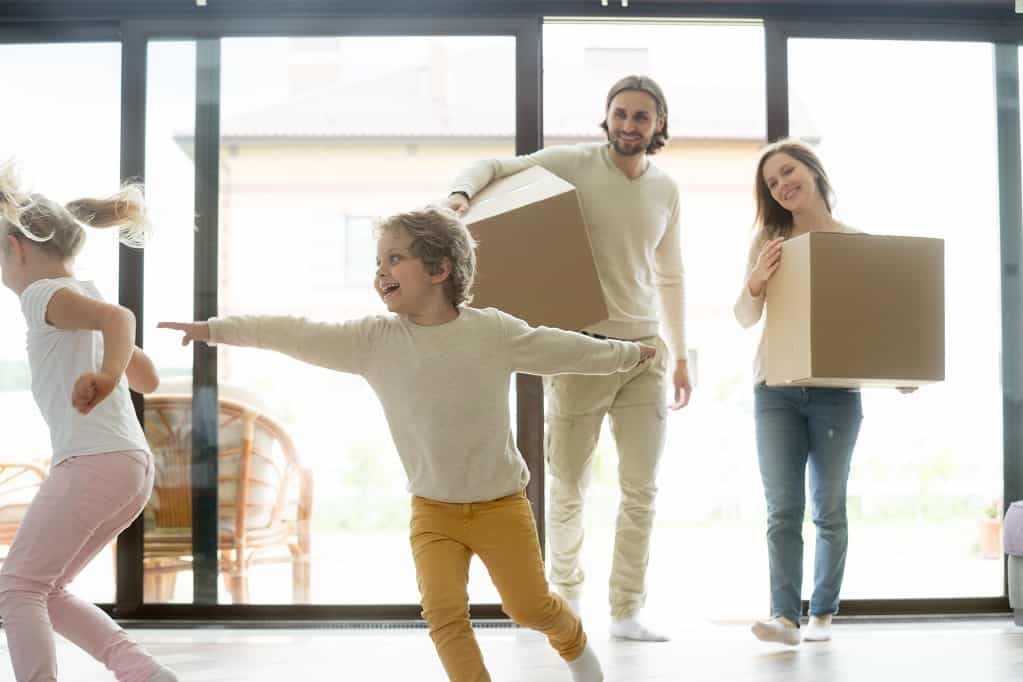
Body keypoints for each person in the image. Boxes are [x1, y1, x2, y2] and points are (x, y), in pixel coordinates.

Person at [160, 206, 656, 682]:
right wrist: (215, 330)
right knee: (442, 613)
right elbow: (295, 332)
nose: (381, 272)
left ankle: (573, 643)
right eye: (378, 262)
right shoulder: (374, 340)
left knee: (527, 606)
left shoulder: (492, 331)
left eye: (395, 258)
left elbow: (563, 347)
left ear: (440, 268)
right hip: (433, 510)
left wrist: (626, 355)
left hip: (500, 505)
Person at [445, 74, 690, 642]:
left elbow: (671, 274)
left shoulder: (666, 190)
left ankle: (627, 610)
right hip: (582, 349)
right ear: (607, 118)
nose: (630, 124)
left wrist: (677, 355)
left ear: (659, 126)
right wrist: (460, 195)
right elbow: (492, 168)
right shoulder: (573, 164)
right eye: (621, 114)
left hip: (646, 351)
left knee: (641, 488)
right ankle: (566, 597)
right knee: (568, 483)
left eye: (642, 117)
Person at [0, 160, 177, 681]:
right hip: (130, 465)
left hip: (93, 462)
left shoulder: (41, 296)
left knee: (18, 586)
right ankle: (144, 674)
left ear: (17, 249)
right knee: (46, 588)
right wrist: (114, 364)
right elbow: (148, 379)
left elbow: (121, 325)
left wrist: (104, 373)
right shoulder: (86, 299)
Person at [735, 139, 914, 646]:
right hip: (775, 392)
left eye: (788, 171)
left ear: (812, 171)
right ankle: (784, 617)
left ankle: (823, 615)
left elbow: (875, 322)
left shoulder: (855, 241)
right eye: (772, 183)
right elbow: (745, 316)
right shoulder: (769, 241)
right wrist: (757, 279)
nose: (782, 185)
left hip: (836, 394)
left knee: (828, 506)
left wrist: (900, 370)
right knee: (782, 507)